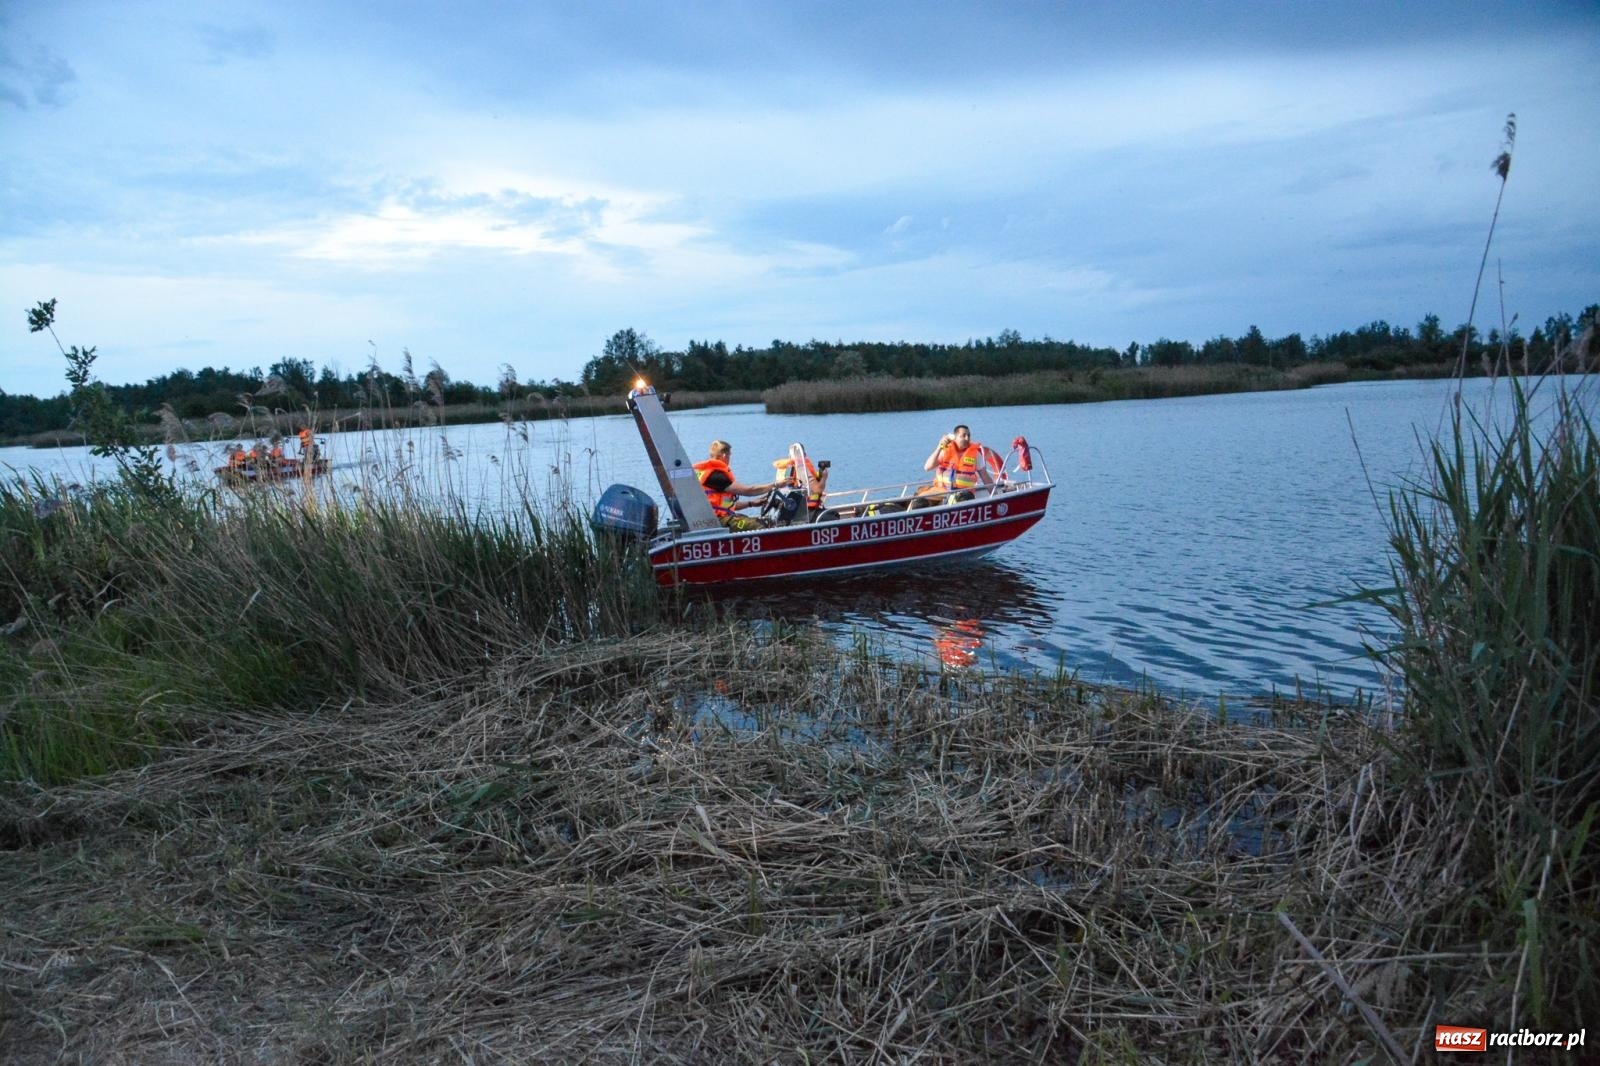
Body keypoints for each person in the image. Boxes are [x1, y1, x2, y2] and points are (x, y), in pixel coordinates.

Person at [693, 440, 776, 530]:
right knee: (758, 526)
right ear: (724, 455)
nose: (729, 459)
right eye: (729, 455)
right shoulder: (716, 476)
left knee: (752, 519)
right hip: (718, 521)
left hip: (712, 519)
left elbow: (724, 506)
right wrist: (775, 485)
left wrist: (751, 503)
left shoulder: (704, 472)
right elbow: (749, 491)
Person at [920, 424, 998, 497]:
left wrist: (996, 496)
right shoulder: (945, 450)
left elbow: (986, 478)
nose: (967, 438)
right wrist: (939, 447)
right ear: (955, 437)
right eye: (963, 436)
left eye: (968, 435)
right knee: (920, 500)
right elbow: (927, 467)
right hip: (941, 491)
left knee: (956, 499)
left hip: (964, 494)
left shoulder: (975, 454)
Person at [773, 446, 830, 514]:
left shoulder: (785, 468)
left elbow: (801, 481)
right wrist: (824, 477)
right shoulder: (801, 468)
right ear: (803, 454)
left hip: (791, 509)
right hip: (807, 510)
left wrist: (819, 475)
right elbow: (818, 490)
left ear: (790, 456)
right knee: (833, 515)